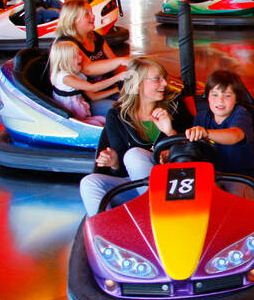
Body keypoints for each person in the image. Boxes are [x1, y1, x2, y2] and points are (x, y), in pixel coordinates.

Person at [78, 57, 193, 216]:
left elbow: (192, 151)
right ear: (139, 84)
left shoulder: (174, 106)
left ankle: (156, 217)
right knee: (89, 183)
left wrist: (170, 132)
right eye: (157, 79)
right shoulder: (117, 115)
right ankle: (109, 233)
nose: (165, 84)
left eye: (164, 78)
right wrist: (115, 163)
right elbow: (121, 173)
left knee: (134, 155)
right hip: (139, 190)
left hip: (174, 186)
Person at [184, 69, 254, 182]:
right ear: (208, 97)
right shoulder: (202, 118)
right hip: (210, 177)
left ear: (236, 99)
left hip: (241, 178)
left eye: (227, 96)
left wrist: (206, 133)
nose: (220, 100)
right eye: (215, 95)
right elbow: (192, 148)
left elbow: (235, 135)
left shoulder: (241, 115)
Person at [51, 0, 127, 113]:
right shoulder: (67, 43)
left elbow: (114, 62)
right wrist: (121, 63)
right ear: (73, 20)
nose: (93, 16)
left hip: (109, 87)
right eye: (87, 14)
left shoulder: (94, 36)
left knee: (139, 97)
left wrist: (126, 81)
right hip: (86, 99)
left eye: (91, 12)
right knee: (124, 110)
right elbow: (88, 69)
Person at [47, 38, 124, 125]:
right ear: (65, 60)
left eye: (79, 54)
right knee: (112, 118)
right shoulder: (65, 78)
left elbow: (93, 96)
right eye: (75, 56)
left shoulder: (77, 74)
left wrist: (117, 89)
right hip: (72, 117)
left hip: (82, 109)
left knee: (121, 109)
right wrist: (118, 77)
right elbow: (93, 88)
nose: (81, 58)